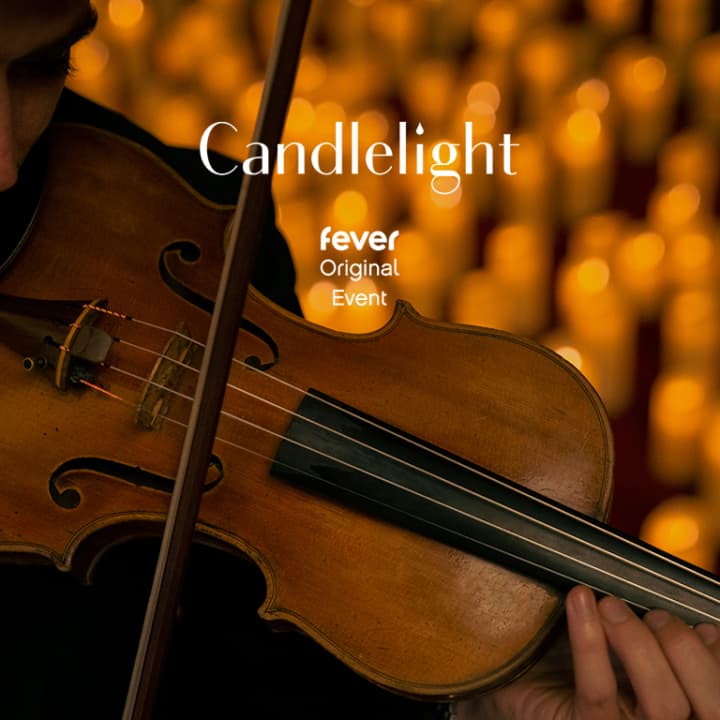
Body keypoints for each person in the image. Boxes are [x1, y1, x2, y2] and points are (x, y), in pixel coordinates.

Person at [1, 2, 718, 719]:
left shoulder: (184, 210)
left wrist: (475, 698)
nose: (3, 169)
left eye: (41, 65)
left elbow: (249, 651)